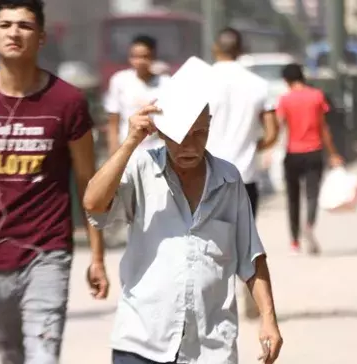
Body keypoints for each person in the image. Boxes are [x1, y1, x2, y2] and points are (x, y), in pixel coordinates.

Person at [0, 1, 109, 362]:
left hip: (48, 251)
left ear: (42, 37)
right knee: (11, 356)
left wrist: (96, 255)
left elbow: (88, 182)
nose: (14, 33)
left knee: (42, 355)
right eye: (5, 25)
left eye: (24, 26)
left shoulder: (69, 102)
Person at [84, 103, 283, 364]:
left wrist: (269, 319)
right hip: (142, 341)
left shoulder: (229, 180)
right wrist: (131, 142)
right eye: (179, 134)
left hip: (210, 347)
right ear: (162, 132)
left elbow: (251, 256)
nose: (188, 145)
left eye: (199, 132)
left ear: (210, 126)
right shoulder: (142, 169)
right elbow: (93, 203)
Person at [206, 27, 279, 218]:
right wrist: (253, 147)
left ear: (215, 48)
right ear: (240, 50)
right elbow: (272, 133)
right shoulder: (259, 85)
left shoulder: (200, 81)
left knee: (209, 242)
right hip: (245, 174)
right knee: (243, 243)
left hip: (206, 176)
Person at [275, 63, 343, 255]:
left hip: (293, 153)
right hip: (314, 151)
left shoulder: (285, 99)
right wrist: (333, 153)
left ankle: (295, 242)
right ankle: (310, 224)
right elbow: (324, 128)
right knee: (312, 194)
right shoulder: (317, 96)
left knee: (293, 199)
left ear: (286, 80)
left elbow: (279, 127)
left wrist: (270, 151)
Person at [104, 35, 170, 155]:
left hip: (158, 149)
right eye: (135, 57)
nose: (139, 61)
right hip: (128, 147)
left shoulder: (165, 83)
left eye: (145, 56)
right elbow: (113, 122)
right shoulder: (120, 80)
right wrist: (113, 151)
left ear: (153, 56)